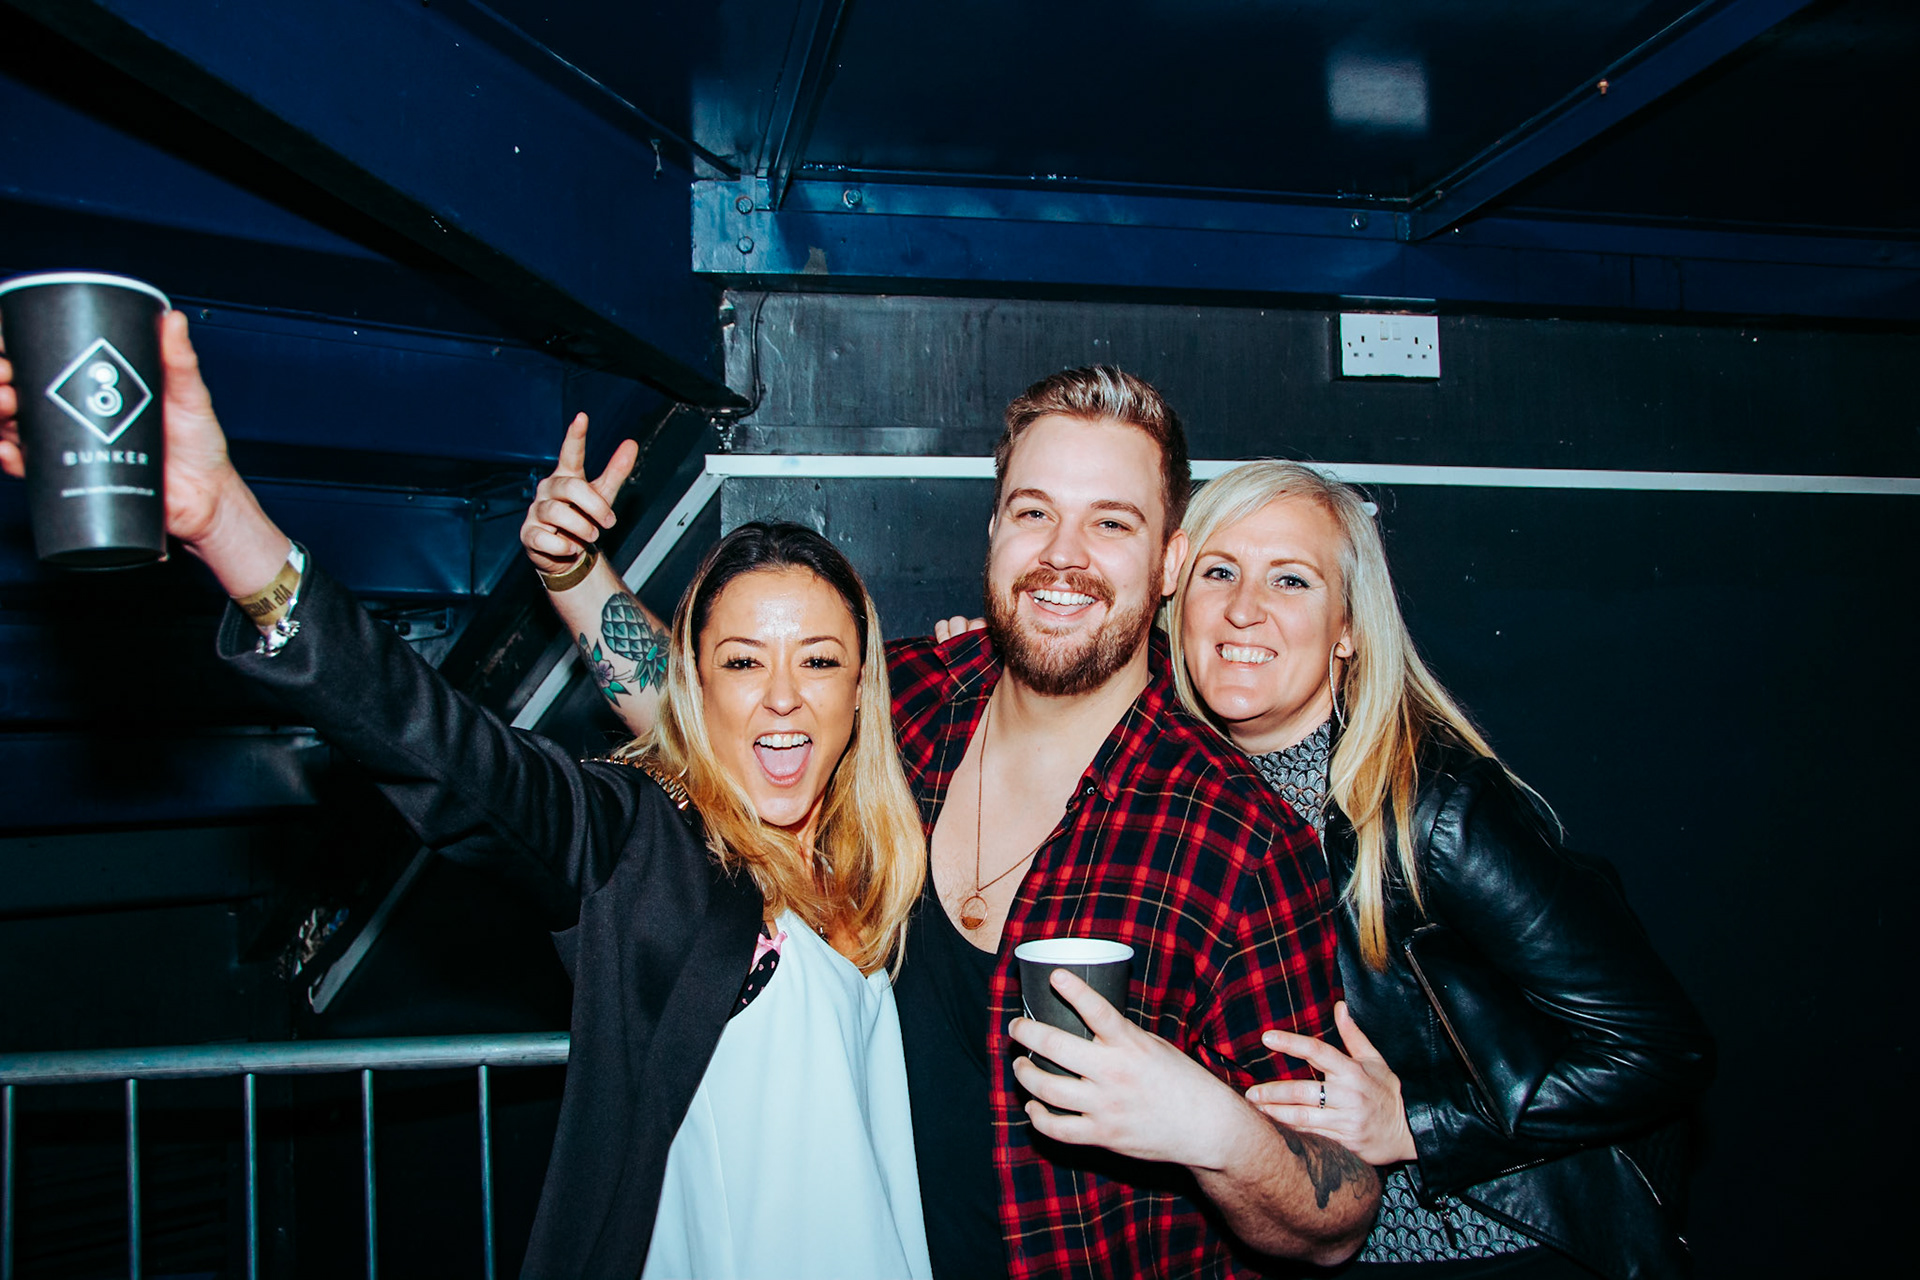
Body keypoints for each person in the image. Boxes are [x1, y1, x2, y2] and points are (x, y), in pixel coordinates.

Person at [0, 317, 934, 1280]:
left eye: (818, 660)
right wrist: (222, 519)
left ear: (859, 685)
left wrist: (578, 575)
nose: (781, 697)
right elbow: (452, 754)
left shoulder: (874, 866)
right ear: (698, 686)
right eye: (741, 662)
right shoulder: (648, 843)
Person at [523, 369, 1381, 1278]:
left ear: (1169, 563)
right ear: (995, 530)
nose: (1063, 555)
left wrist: (1212, 1128)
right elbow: (724, 720)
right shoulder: (912, 705)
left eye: (1111, 523)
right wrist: (574, 574)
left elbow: (1335, 1215)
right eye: (1034, 512)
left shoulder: (1239, 840)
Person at [1161, 461, 1716, 1278]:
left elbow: (1661, 1050)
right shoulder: (1185, 795)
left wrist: (1417, 1124)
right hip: (1296, 1239)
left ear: (1348, 628)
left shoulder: (1432, 810)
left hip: (1480, 1245)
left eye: (1291, 579)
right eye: (1218, 572)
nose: (1244, 607)